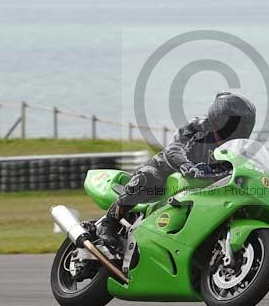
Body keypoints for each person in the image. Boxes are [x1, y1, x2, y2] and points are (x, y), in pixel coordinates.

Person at [95, 91, 256, 253]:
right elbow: (175, 148)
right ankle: (108, 223)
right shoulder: (199, 127)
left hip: (204, 188)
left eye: (241, 125)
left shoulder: (239, 149)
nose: (237, 130)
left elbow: (250, 169)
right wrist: (185, 165)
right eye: (234, 124)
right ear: (219, 119)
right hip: (169, 172)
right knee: (149, 178)